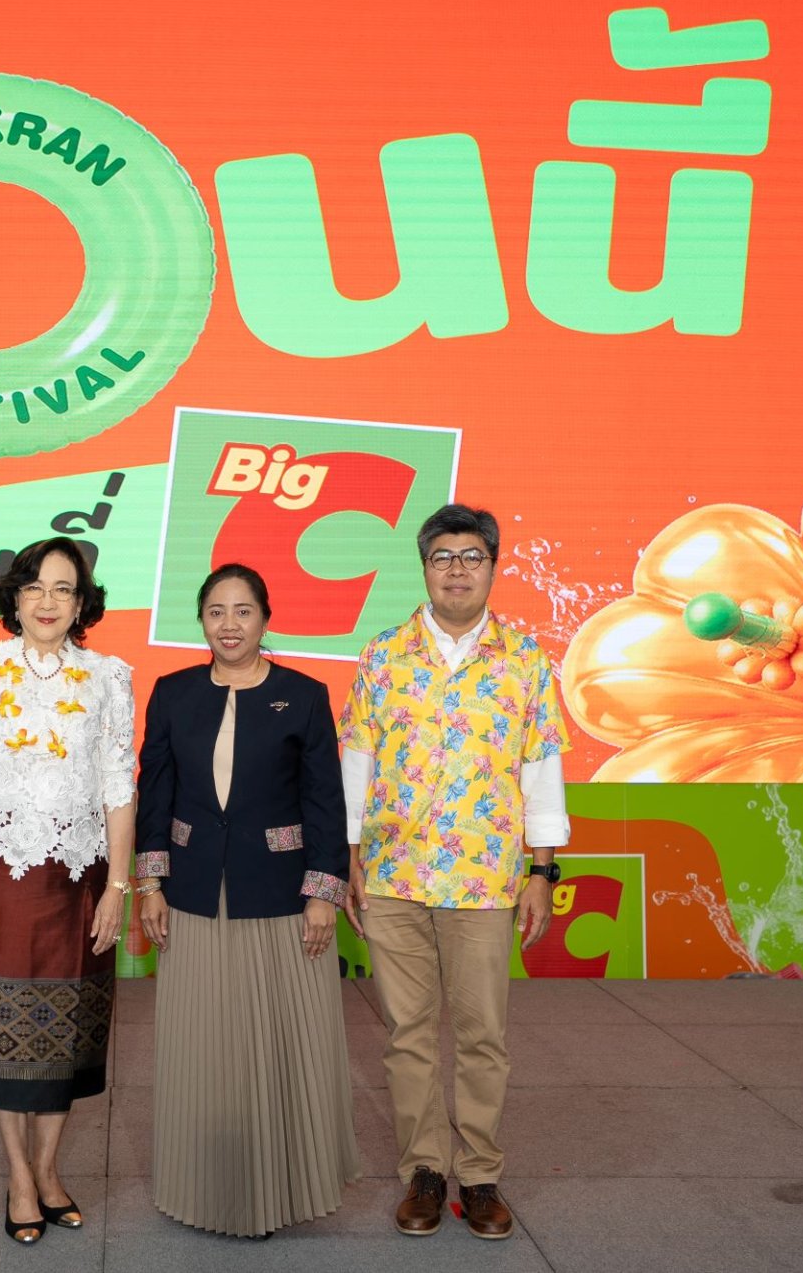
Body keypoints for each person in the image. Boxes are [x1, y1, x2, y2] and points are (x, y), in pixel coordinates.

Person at [337, 504, 571, 1240]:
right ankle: (425, 1173)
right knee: (407, 1034)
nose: (458, 570)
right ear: (424, 567)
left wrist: (542, 871)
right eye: (444, 557)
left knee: (482, 1035)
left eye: (472, 557)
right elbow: (357, 764)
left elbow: (542, 773)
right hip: (392, 875)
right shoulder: (383, 655)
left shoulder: (525, 660)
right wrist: (347, 857)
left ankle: (480, 1174)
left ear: (493, 567)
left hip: (484, 878)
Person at [136, 563, 360, 1238]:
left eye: (242, 611)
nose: (229, 624)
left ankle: (283, 1192)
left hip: (281, 897)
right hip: (192, 893)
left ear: (265, 618)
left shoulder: (305, 694)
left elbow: (324, 801)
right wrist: (150, 883)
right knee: (203, 1047)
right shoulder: (173, 692)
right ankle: (203, 1192)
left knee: (281, 1048)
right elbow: (155, 793)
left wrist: (323, 893)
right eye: (216, 611)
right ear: (201, 620)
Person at [0, 536, 136, 1244]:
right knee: (3, 1027)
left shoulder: (109, 676)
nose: (48, 601)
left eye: (63, 589)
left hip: (81, 880)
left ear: (82, 604)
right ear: (14, 597)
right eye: (35, 587)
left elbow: (119, 786)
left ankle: (49, 1169)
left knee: (67, 1029)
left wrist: (118, 886)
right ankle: (18, 1175)